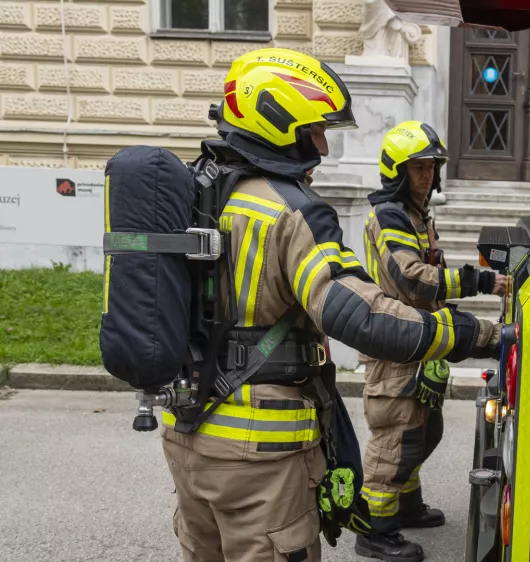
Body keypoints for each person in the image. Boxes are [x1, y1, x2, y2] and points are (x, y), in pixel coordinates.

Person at [159, 48, 504, 562]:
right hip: (258, 455)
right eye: (316, 130)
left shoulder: (193, 193)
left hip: (186, 433)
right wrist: (483, 334)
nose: (322, 146)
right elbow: (361, 316)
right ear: (277, 122)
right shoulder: (290, 211)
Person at [355, 121, 507, 561]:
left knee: (424, 429)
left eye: (431, 167)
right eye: (418, 167)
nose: (427, 175)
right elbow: (413, 278)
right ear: (397, 172)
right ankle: (375, 530)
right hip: (397, 339)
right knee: (396, 436)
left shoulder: (418, 215)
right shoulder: (391, 215)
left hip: (420, 335)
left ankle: (406, 505)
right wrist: (480, 281)